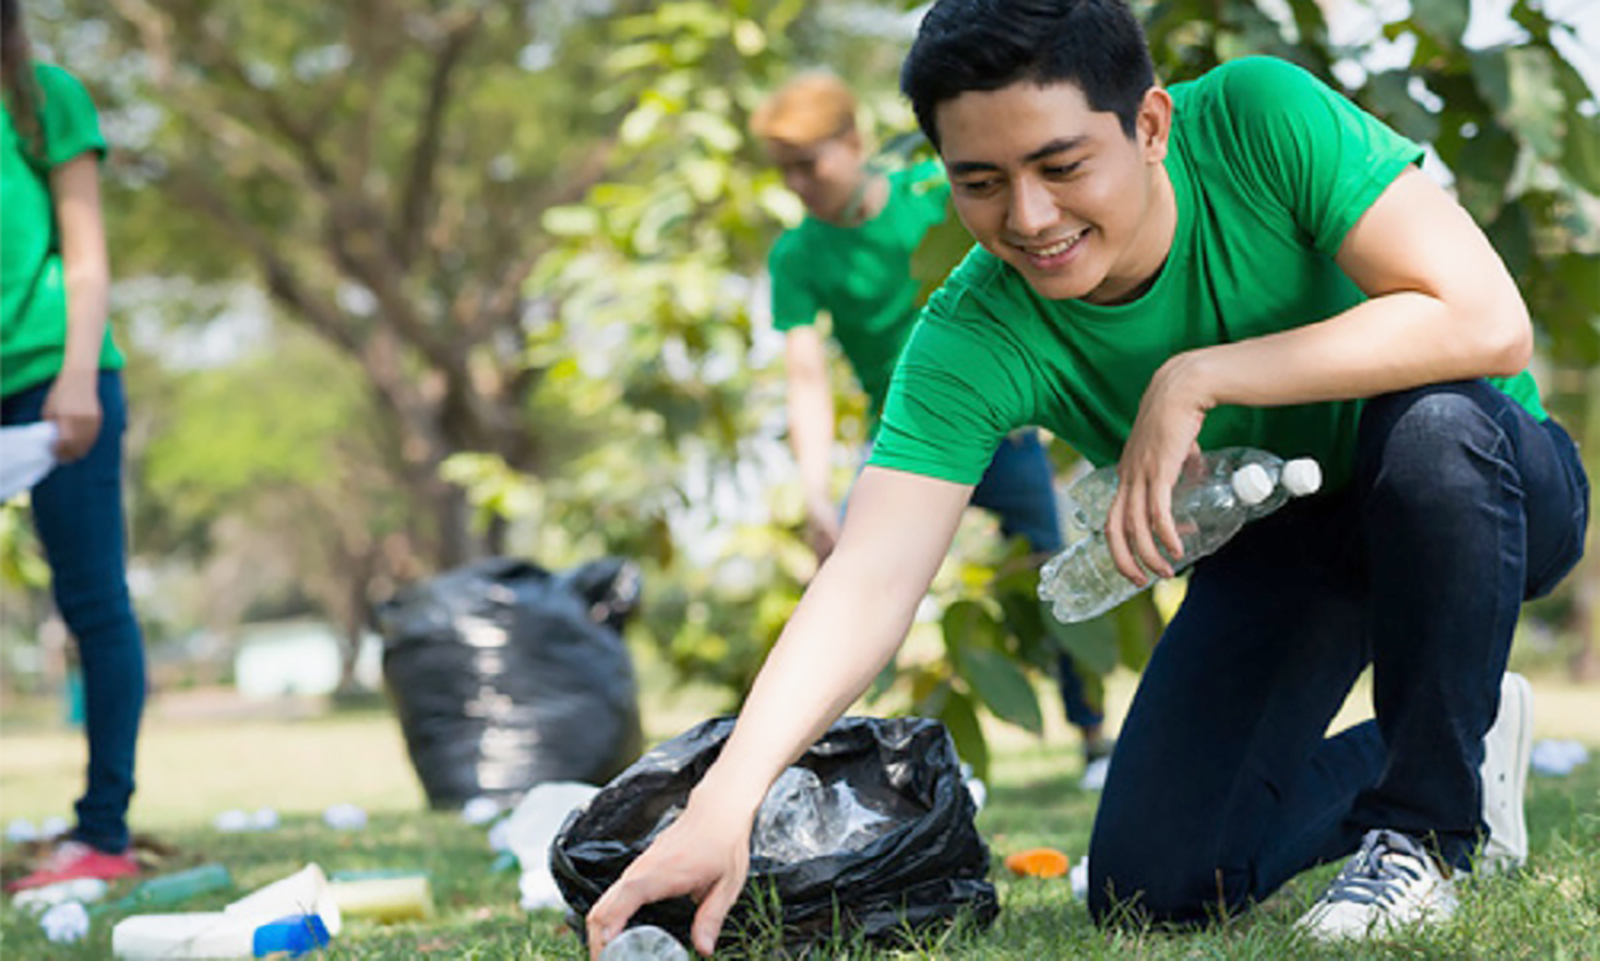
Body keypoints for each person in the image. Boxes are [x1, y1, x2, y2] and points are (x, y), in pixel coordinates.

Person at [584, 0, 1589, 953]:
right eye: (978, 182)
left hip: (1484, 487)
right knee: (1152, 887)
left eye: (1061, 164)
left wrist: (1198, 376)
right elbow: (869, 576)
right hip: (1287, 540)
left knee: (1434, 428)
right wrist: (724, 803)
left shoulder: (1256, 119)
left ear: (1150, 123)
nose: (1029, 217)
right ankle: (1463, 731)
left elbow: (1482, 318)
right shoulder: (974, 329)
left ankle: (1422, 833)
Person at [752, 70, 1114, 771]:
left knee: (1057, 571)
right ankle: (810, 753)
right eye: (784, 171)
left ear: (854, 142)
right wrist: (817, 491)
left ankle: (1095, 736)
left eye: (808, 164)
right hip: (909, 439)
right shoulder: (797, 253)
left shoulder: (933, 195)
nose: (797, 183)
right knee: (848, 581)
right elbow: (806, 374)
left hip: (1003, 431)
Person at [2, 0, 147, 890]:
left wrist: (78, 376)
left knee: (95, 604)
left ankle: (103, 833)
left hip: (57, 379)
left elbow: (85, 255)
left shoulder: (43, 96)